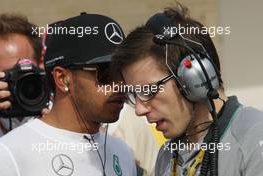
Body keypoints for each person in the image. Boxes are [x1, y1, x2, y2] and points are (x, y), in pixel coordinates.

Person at [112, 3, 263, 176]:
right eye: (134, 95)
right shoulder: (167, 155)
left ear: (193, 78)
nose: (139, 109)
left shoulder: (254, 137)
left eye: (148, 91)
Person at [0, 13, 136, 176]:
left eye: (123, 72)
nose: (119, 84)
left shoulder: (123, 152)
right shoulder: (8, 155)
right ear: (62, 78)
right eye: (105, 73)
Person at [0, 14, 43, 136]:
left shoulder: (65, 107)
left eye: (22, 71)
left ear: (41, 65)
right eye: (7, 75)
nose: (17, 82)